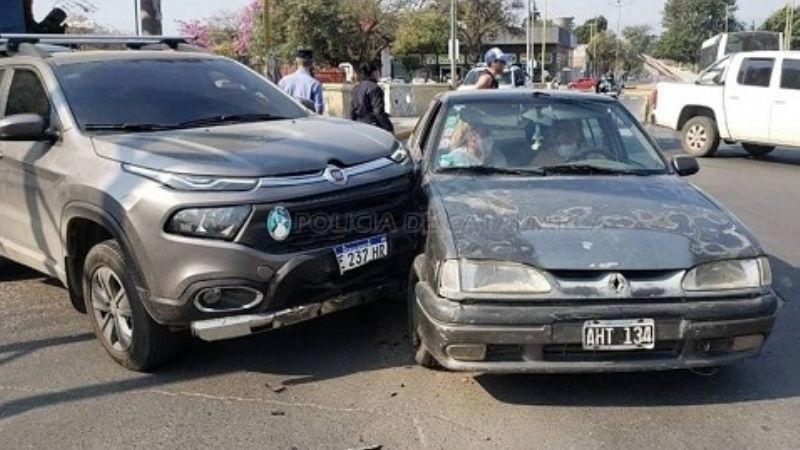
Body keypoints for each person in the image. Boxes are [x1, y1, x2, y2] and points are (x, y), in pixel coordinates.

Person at [350, 62, 394, 133]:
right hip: (372, 126)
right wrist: (389, 127)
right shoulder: (375, 88)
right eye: (377, 71)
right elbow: (378, 112)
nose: (378, 74)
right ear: (373, 73)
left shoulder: (356, 88)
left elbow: (352, 111)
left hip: (359, 125)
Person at [278, 49, 325, 114]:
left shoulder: (283, 81)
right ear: (311, 63)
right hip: (307, 121)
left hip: (287, 119)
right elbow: (319, 109)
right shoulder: (315, 84)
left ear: (296, 62)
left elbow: (279, 103)